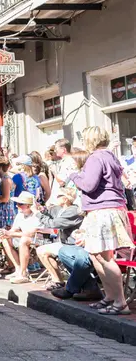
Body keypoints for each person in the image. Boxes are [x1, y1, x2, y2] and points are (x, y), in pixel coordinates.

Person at [68, 126, 134, 316]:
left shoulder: (96, 158)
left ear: (90, 139)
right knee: (95, 255)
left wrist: (74, 175)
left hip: (103, 210)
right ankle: (111, 297)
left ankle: (120, 302)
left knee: (105, 257)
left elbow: (88, 185)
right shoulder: (110, 156)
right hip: (109, 209)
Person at [34, 187, 83, 290]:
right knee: (41, 251)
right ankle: (57, 280)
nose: (56, 197)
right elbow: (50, 215)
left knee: (42, 251)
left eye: (58, 196)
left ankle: (58, 281)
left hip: (73, 245)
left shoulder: (73, 211)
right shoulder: (60, 209)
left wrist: (37, 214)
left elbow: (53, 224)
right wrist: (42, 211)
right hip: (64, 243)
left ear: (65, 199)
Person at [0, 192, 42, 284]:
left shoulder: (37, 215)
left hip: (38, 239)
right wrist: (5, 233)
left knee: (23, 240)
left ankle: (23, 273)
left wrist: (10, 233)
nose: (17, 206)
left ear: (29, 206)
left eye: (20, 204)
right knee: (5, 238)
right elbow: (14, 229)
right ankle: (18, 268)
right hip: (25, 237)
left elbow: (31, 233)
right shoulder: (20, 215)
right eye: (17, 203)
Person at [48, 139, 78, 207]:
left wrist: (54, 171)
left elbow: (61, 182)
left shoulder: (68, 162)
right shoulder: (65, 161)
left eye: (56, 148)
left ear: (63, 149)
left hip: (65, 200)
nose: (55, 151)